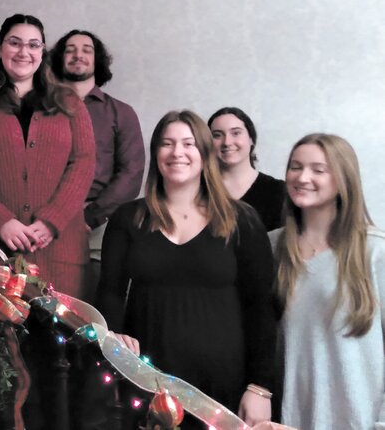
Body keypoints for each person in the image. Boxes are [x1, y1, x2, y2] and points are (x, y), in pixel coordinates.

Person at [96, 110, 275, 428]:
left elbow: (260, 307)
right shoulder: (128, 218)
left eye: (188, 143)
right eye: (167, 143)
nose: (177, 152)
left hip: (223, 382)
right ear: (156, 153)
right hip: (147, 380)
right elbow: (109, 291)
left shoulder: (242, 220)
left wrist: (260, 387)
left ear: (205, 153)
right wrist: (116, 336)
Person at [0, 14, 94, 297]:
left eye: (33, 45)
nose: (23, 52)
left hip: (59, 250)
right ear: (0, 49)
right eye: (14, 43)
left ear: (42, 52)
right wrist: (0, 220)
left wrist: (52, 221)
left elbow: (84, 163)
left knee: (58, 338)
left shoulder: (69, 102)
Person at [272, 134, 385, 430]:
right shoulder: (271, 248)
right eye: (295, 167)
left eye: (318, 169)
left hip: (360, 421)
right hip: (288, 421)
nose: (302, 177)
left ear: (343, 179)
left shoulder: (375, 251)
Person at [51, 29, 145, 298]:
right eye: (70, 49)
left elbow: (132, 173)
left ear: (97, 60)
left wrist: (90, 216)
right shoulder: (41, 109)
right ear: (59, 58)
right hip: (45, 222)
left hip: (100, 226)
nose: (78, 54)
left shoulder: (121, 113)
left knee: (94, 307)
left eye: (87, 49)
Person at [209, 107, 284, 230]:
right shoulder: (198, 190)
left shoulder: (278, 191)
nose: (227, 142)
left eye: (236, 133)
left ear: (251, 139)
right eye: (217, 135)